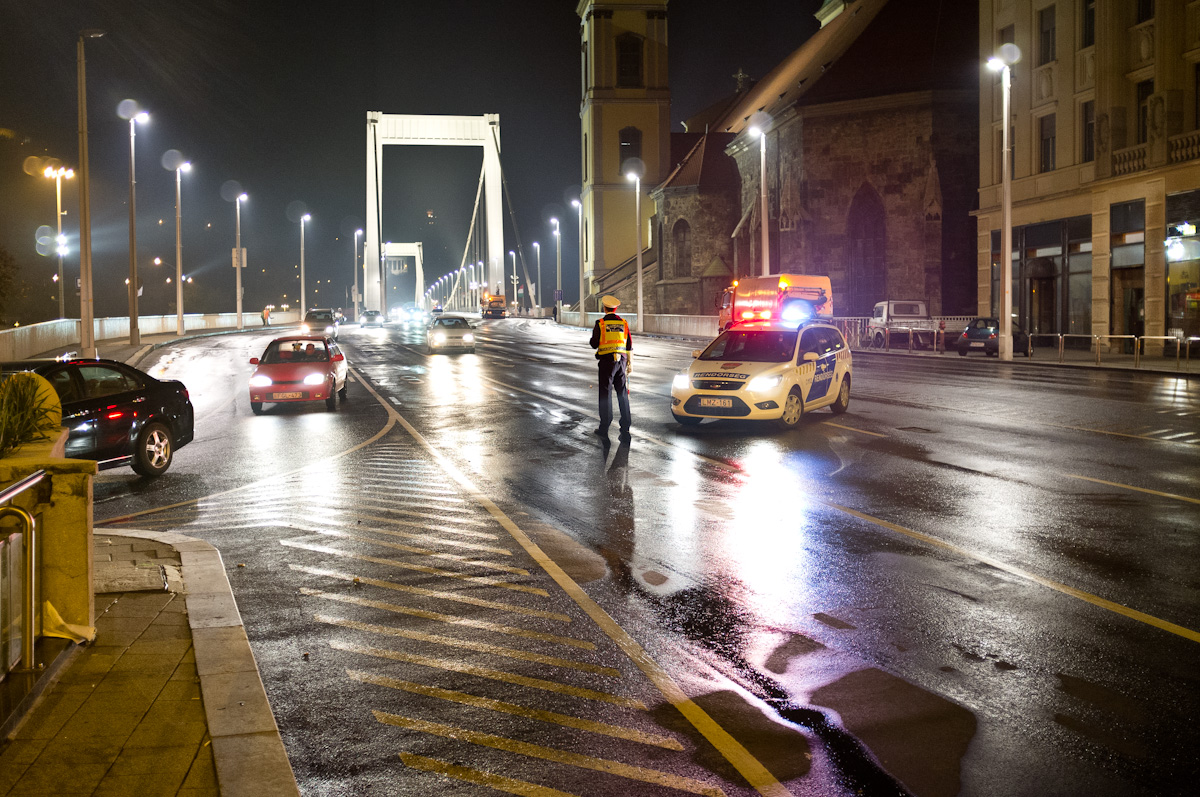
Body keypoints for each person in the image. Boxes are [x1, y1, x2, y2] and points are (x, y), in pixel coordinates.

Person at [589, 295, 631, 441]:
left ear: (604, 308)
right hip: (622, 362)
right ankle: (625, 425)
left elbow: (594, 343)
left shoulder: (600, 323)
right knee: (622, 393)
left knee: (605, 394)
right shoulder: (624, 323)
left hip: (607, 363)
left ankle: (604, 426)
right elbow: (629, 346)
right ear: (616, 308)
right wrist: (629, 364)